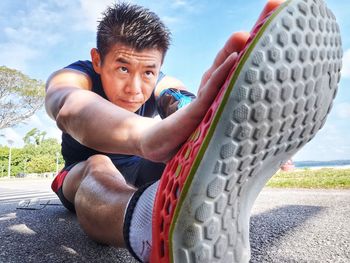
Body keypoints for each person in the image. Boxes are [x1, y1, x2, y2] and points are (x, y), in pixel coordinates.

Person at [46, 0, 342, 262]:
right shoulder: (76, 75)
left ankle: (197, 202)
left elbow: (176, 95)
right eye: (123, 69)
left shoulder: (159, 82)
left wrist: (208, 113)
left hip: (140, 169)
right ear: (98, 60)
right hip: (80, 174)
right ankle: (150, 225)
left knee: (186, 142)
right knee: (99, 164)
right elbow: (69, 106)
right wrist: (148, 137)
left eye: (148, 72)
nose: (135, 89)